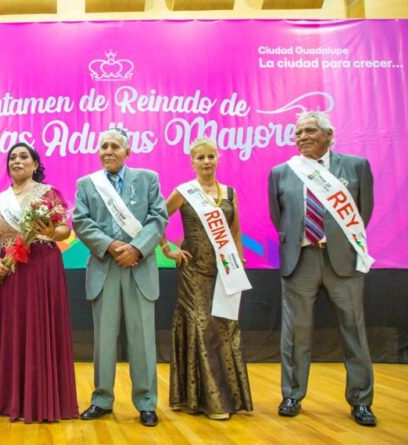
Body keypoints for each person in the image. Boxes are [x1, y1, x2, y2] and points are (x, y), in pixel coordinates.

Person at [268, 111, 376, 426]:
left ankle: (361, 401)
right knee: (295, 334)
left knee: (354, 331)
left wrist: (341, 241)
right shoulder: (281, 172)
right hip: (300, 260)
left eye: (310, 131)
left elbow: (363, 212)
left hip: (343, 260)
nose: (302, 137)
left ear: (329, 135)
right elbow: (279, 217)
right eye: (298, 132)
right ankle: (292, 395)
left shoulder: (356, 166)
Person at [72, 128, 168, 427]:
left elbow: (158, 217)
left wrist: (137, 248)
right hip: (105, 267)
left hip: (139, 266)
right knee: (103, 340)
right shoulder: (87, 184)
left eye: (114, 146)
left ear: (128, 151)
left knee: (142, 339)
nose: (108, 151)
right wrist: (111, 246)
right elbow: (81, 221)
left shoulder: (148, 179)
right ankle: (101, 399)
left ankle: (146, 403)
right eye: (103, 146)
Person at [159, 137, 253, 420]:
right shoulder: (184, 192)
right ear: (192, 162)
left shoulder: (230, 193)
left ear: (218, 158)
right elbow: (157, 219)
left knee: (224, 327)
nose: (206, 162)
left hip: (224, 269)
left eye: (211, 156)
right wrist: (167, 249)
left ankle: (230, 396)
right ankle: (212, 401)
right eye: (200, 157)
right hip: (194, 270)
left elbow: (235, 231)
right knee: (202, 326)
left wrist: (238, 261)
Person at [0, 142, 78, 423]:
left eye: (24, 157)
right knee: (13, 330)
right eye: (12, 157)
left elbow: (64, 230)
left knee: (38, 327)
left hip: (39, 266)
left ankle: (41, 400)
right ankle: (11, 399)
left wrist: (50, 229)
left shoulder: (47, 194)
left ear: (35, 164)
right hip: (7, 271)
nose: (17, 161)